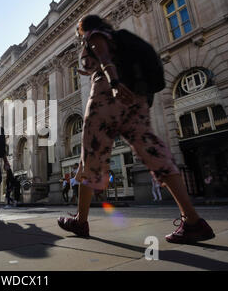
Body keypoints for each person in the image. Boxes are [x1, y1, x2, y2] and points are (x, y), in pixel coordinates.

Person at [58, 15, 215, 244]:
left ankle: (81, 220)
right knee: (153, 151)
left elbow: (101, 54)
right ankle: (192, 219)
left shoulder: (95, 36)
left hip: (108, 96)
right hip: (136, 98)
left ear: (85, 29)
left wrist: (113, 81)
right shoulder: (120, 39)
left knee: (91, 154)